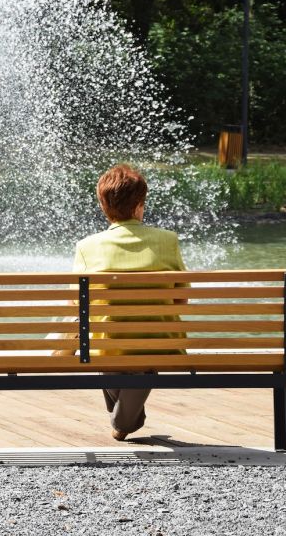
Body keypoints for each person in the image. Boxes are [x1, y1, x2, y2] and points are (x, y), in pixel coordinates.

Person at [74, 163, 187, 441]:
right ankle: (126, 419)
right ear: (139, 205)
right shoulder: (167, 241)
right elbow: (181, 298)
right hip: (161, 343)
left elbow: (78, 303)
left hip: (106, 345)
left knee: (100, 333)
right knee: (138, 345)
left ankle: (125, 419)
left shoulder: (87, 246)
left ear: (103, 206)